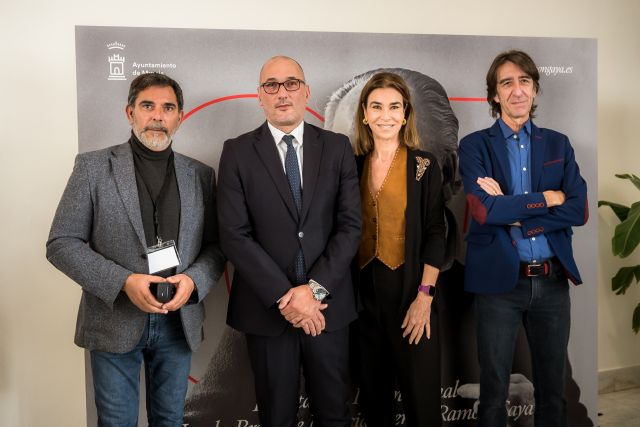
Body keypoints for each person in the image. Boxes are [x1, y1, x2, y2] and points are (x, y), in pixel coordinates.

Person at [46, 72, 225, 426]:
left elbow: (216, 247)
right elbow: (61, 243)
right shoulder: (92, 167)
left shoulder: (200, 175)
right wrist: (124, 281)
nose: (158, 116)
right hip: (114, 319)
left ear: (180, 117)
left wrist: (192, 281)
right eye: (148, 106)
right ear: (130, 113)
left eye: (168, 108)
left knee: (170, 421)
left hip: (178, 322)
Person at [217, 56, 361, 426]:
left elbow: (349, 227)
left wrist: (313, 292)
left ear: (306, 92)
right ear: (259, 96)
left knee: (334, 416)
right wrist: (287, 297)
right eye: (272, 85)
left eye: (291, 83)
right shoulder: (236, 152)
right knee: (276, 418)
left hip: (327, 310)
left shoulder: (337, 147)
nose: (282, 93)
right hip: (267, 312)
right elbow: (234, 235)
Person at [458, 50, 588, 426]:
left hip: (552, 282)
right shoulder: (474, 146)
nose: (517, 90)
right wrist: (547, 199)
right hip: (499, 284)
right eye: (507, 83)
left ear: (535, 89)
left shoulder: (559, 145)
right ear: (494, 94)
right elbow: (485, 211)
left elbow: (578, 210)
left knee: (553, 393)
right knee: (493, 395)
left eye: (525, 81)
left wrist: (520, 218)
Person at [352, 72, 446, 426]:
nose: (385, 115)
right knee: (374, 405)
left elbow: (436, 232)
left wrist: (425, 296)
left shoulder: (424, 166)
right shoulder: (352, 165)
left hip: (411, 294)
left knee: (422, 406)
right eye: (376, 106)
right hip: (364, 300)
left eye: (394, 107)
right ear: (365, 114)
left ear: (405, 114)